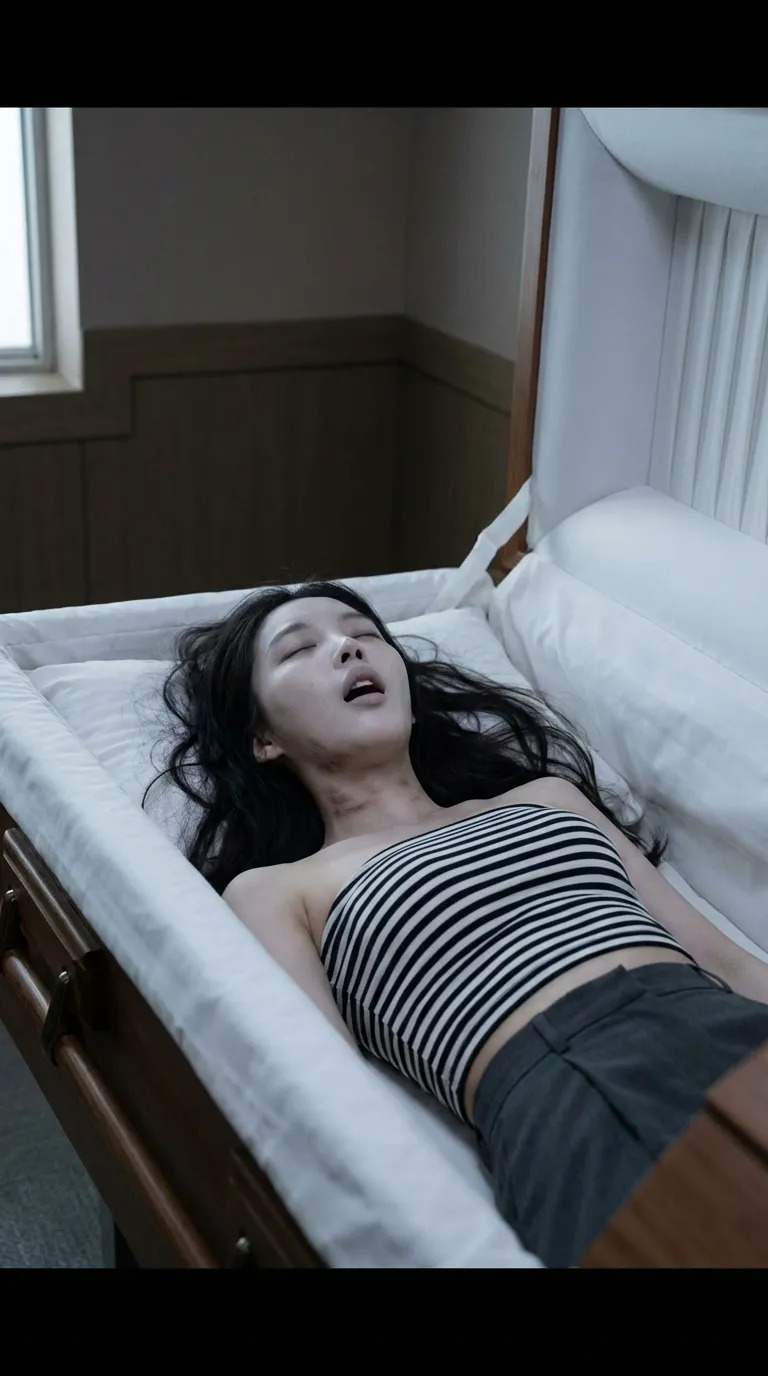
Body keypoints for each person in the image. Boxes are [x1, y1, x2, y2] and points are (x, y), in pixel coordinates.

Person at [145, 579, 768, 1267]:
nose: (349, 646)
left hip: (722, 1024)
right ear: (263, 738)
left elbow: (726, 962)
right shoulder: (277, 889)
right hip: (568, 1094)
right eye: (299, 649)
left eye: (365, 633)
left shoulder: (547, 797)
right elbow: (330, 1088)